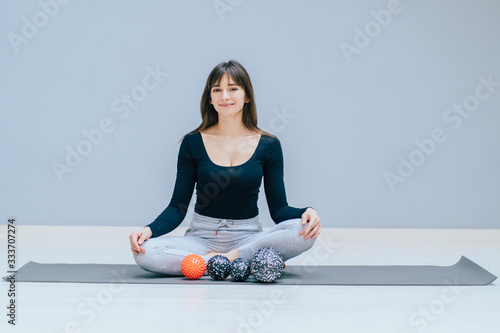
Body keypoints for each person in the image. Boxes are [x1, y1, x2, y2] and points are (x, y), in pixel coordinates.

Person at [129, 59, 321, 276]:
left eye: (233, 89)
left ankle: (220, 262)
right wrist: (148, 230)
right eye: (217, 89)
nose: (225, 96)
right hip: (201, 239)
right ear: (210, 98)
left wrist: (307, 212)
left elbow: (278, 209)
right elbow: (177, 207)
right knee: (145, 252)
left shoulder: (269, 145)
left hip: (248, 238)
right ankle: (245, 262)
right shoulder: (193, 143)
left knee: (301, 231)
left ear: (246, 96)